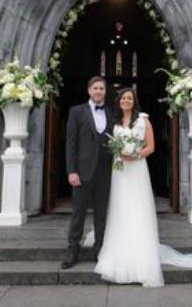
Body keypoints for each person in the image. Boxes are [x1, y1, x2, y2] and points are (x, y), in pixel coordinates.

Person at [94, 88, 192, 287]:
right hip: (120, 170)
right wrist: (119, 153)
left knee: (137, 209)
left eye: (129, 98)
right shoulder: (115, 121)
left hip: (136, 169)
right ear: (118, 101)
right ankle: (120, 253)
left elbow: (150, 146)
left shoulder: (143, 120)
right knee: (120, 209)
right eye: (123, 98)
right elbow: (112, 144)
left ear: (134, 101)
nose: (126, 101)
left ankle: (140, 257)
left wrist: (134, 155)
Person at [61, 76, 113, 269]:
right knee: (78, 213)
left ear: (105, 92)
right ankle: (72, 250)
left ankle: (100, 249)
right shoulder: (77, 112)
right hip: (82, 172)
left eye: (101, 88)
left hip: (104, 172)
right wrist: (71, 171)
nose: (98, 92)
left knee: (101, 213)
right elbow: (71, 144)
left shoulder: (110, 112)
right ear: (89, 90)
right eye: (95, 88)